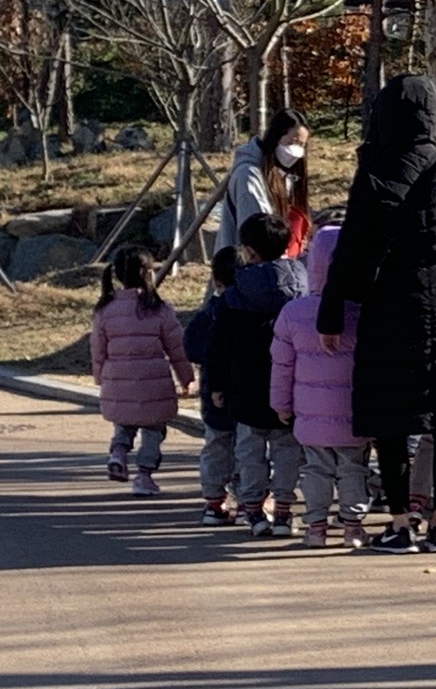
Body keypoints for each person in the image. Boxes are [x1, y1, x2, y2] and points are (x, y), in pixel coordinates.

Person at [318, 74, 436, 555]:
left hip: (389, 303)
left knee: (392, 419)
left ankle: (400, 523)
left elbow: (349, 249)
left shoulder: (373, 169)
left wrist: (329, 315)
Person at [207, 213, 309, 537]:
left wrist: (218, 383)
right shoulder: (303, 287)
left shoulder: (236, 294)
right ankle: (283, 509)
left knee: (249, 449)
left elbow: (220, 343)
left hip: (245, 384)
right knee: (288, 450)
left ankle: (253, 508)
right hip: (292, 385)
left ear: (249, 251)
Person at [269, 225, 370, 550]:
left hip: (310, 415)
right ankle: (353, 526)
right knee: (353, 468)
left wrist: (281, 404)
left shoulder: (293, 313)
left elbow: (282, 367)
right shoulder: (363, 311)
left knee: (315, 470)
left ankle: (316, 527)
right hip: (353, 413)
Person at [91, 245, 194, 497]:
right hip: (154, 384)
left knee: (123, 425)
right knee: (153, 429)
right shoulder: (160, 309)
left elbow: (97, 350)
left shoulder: (104, 310)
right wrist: (187, 378)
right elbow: (177, 348)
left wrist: (100, 377)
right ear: (148, 273)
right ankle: (144, 476)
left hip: (117, 381)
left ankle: (118, 453)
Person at [183, 245, 245, 524]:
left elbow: (191, 345)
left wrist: (212, 357)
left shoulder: (211, 312)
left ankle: (213, 501)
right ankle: (251, 500)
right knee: (252, 448)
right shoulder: (253, 309)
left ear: (216, 280)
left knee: (216, 447)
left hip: (213, 392)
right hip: (249, 390)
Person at [216, 108, 312, 258]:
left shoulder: (283, 175)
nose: (296, 151)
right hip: (246, 268)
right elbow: (260, 235)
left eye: (301, 145)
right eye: (292, 142)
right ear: (276, 137)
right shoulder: (249, 175)